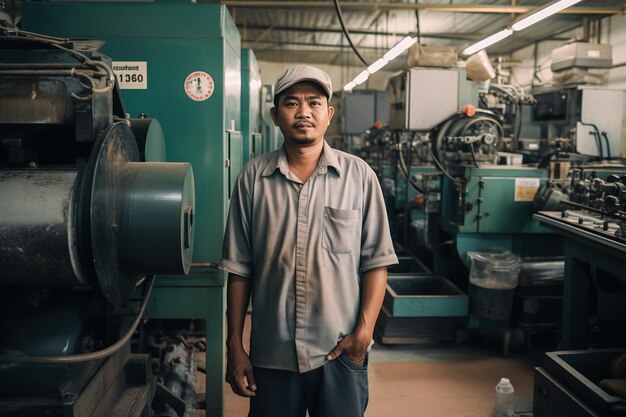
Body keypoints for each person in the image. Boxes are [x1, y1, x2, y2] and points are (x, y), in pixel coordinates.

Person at [219, 64, 398, 417]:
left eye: (314, 103)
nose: (303, 112)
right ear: (275, 115)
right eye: (291, 103)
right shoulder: (253, 179)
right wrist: (235, 346)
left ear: (329, 114)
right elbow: (240, 270)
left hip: (338, 352)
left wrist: (363, 333)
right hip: (272, 356)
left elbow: (376, 262)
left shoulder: (359, 177)